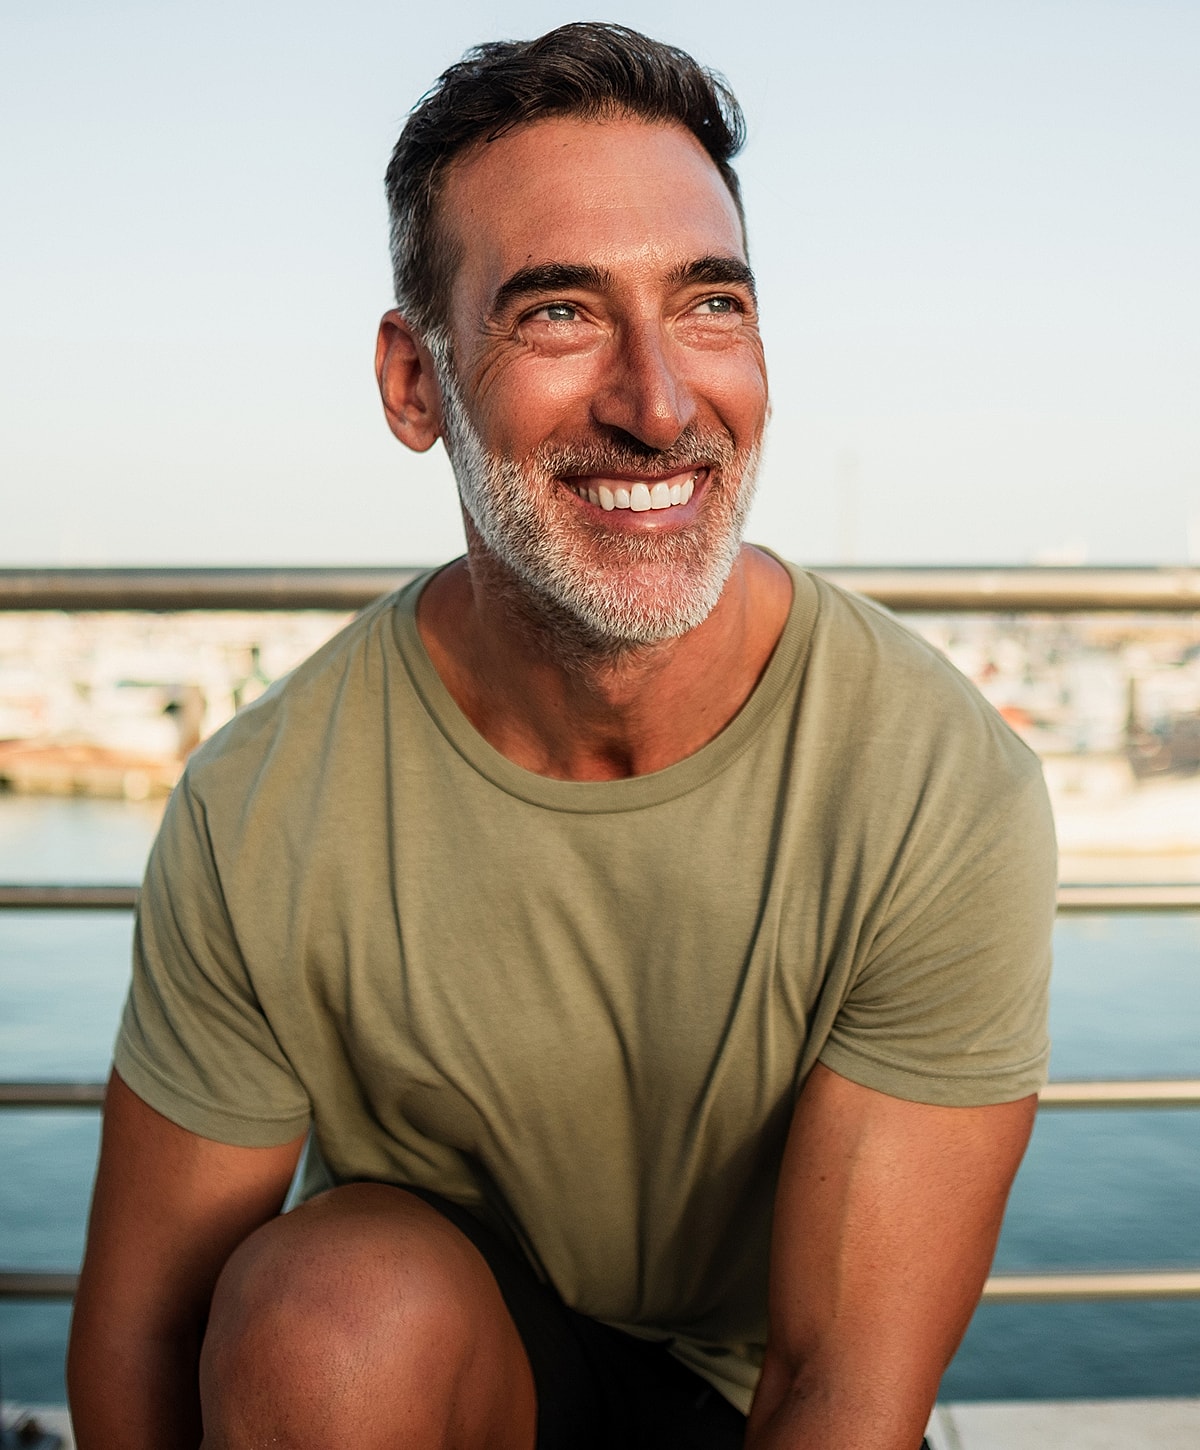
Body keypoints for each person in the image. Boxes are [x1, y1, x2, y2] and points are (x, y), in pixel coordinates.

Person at [67, 22, 1055, 1450]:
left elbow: (838, 1395)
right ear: (417, 384)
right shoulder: (264, 806)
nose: (660, 406)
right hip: (437, 1382)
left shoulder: (931, 782)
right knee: (323, 1327)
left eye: (710, 305)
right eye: (558, 313)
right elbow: (141, 1348)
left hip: (749, 1403)